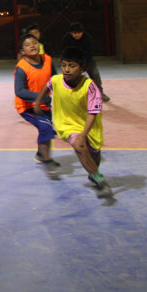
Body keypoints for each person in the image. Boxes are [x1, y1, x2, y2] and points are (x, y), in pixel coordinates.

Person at [34, 47, 112, 197]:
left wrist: (84, 133)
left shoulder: (90, 87)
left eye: (72, 66)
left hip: (90, 126)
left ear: (82, 68)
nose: (66, 70)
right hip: (67, 124)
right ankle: (100, 181)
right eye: (64, 65)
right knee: (79, 145)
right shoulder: (57, 80)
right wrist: (38, 101)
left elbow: (92, 113)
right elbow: (48, 85)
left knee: (94, 154)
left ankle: (93, 172)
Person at [14, 34, 59, 174]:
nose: (32, 46)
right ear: (23, 52)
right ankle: (47, 160)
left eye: (34, 42)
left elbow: (55, 79)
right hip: (27, 107)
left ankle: (40, 154)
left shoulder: (48, 59)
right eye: (27, 45)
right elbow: (19, 91)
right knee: (46, 128)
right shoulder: (21, 68)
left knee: (47, 128)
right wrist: (40, 97)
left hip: (45, 104)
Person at [62, 22, 110, 101]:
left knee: (95, 74)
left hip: (87, 60)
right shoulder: (66, 39)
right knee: (69, 77)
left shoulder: (87, 38)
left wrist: (84, 65)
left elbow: (89, 53)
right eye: (75, 33)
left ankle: (100, 93)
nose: (77, 35)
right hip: (72, 61)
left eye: (79, 33)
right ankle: (69, 95)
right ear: (71, 33)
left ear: (82, 32)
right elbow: (65, 52)